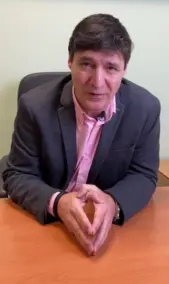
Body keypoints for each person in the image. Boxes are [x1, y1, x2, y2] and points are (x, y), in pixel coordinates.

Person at [3, 13, 160, 256]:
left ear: (124, 69)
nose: (97, 82)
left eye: (111, 68)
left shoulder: (146, 109)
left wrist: (113, 202)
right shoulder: (34, 106)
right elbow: (17, 174)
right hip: (47, 226)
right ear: (70, 62)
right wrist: (57, 201)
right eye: (87, 64)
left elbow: (144, 175)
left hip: (107, 230)